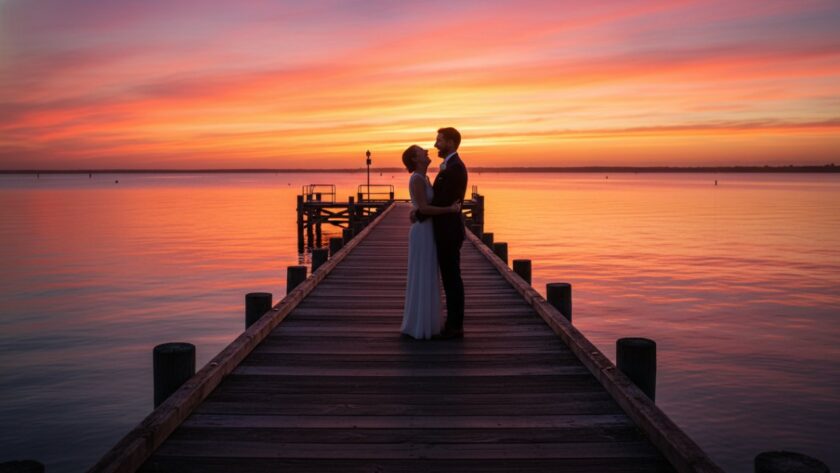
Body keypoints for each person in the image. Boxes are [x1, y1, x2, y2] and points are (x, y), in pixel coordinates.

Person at [400, 145, 461, 339]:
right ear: (414, 159)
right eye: (421, 150)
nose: (426, 150)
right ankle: (419, 324)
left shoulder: (425, 178)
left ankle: (428, 321)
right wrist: (450, 210)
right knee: (422, 273)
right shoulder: (417, 179)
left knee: (428, 274)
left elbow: (424, 207)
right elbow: (425, 209)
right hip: (422, 231)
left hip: (429, 230)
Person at [413, 127, 468, 339]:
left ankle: (455, 326)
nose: (435, 145)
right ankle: (453, 323)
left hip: (449, 232)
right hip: (445, 230)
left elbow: (442, 202)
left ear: (451, 143)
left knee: (452, 278)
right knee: (450, 277)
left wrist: (419, 213)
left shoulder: (454, 169)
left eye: (440, 141)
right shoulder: (450, 166)